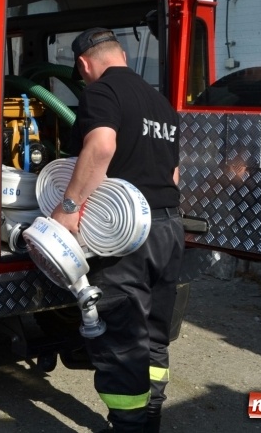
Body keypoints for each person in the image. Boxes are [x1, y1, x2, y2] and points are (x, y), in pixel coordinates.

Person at [50, 28, 185, 433]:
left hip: (126, 236)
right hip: (168, 229)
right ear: (122, 54)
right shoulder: (160, 102)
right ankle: (150, 416)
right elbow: (174, 174)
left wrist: (68, 209)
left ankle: (129, 426)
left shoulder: (101, 92)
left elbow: (102, 147)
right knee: (154, 334)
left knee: (122, 341)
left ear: (83, 64)